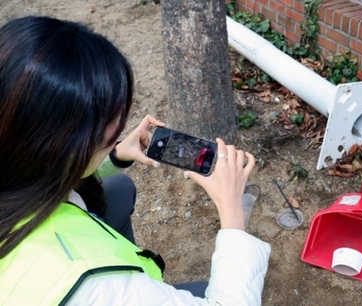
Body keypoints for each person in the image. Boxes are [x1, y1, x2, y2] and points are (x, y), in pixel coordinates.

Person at [0, 16, 271, 305]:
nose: (119, 121)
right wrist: (232, 212)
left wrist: (113, 154)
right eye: (106, 118)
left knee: (119, 189)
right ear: (64, 144)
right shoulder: (99, 287)